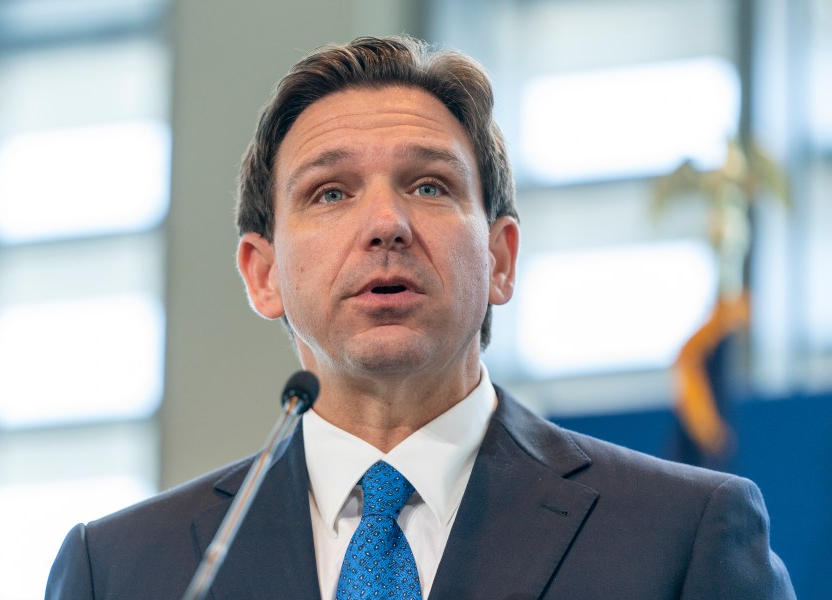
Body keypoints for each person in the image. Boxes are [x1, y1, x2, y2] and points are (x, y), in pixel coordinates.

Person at [45, 35, 795, 599]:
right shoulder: (121, 569)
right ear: (262, 273)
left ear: (500, 258)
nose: (387, 224)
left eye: (431, 186)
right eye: (331, 193)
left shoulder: (678, 534)